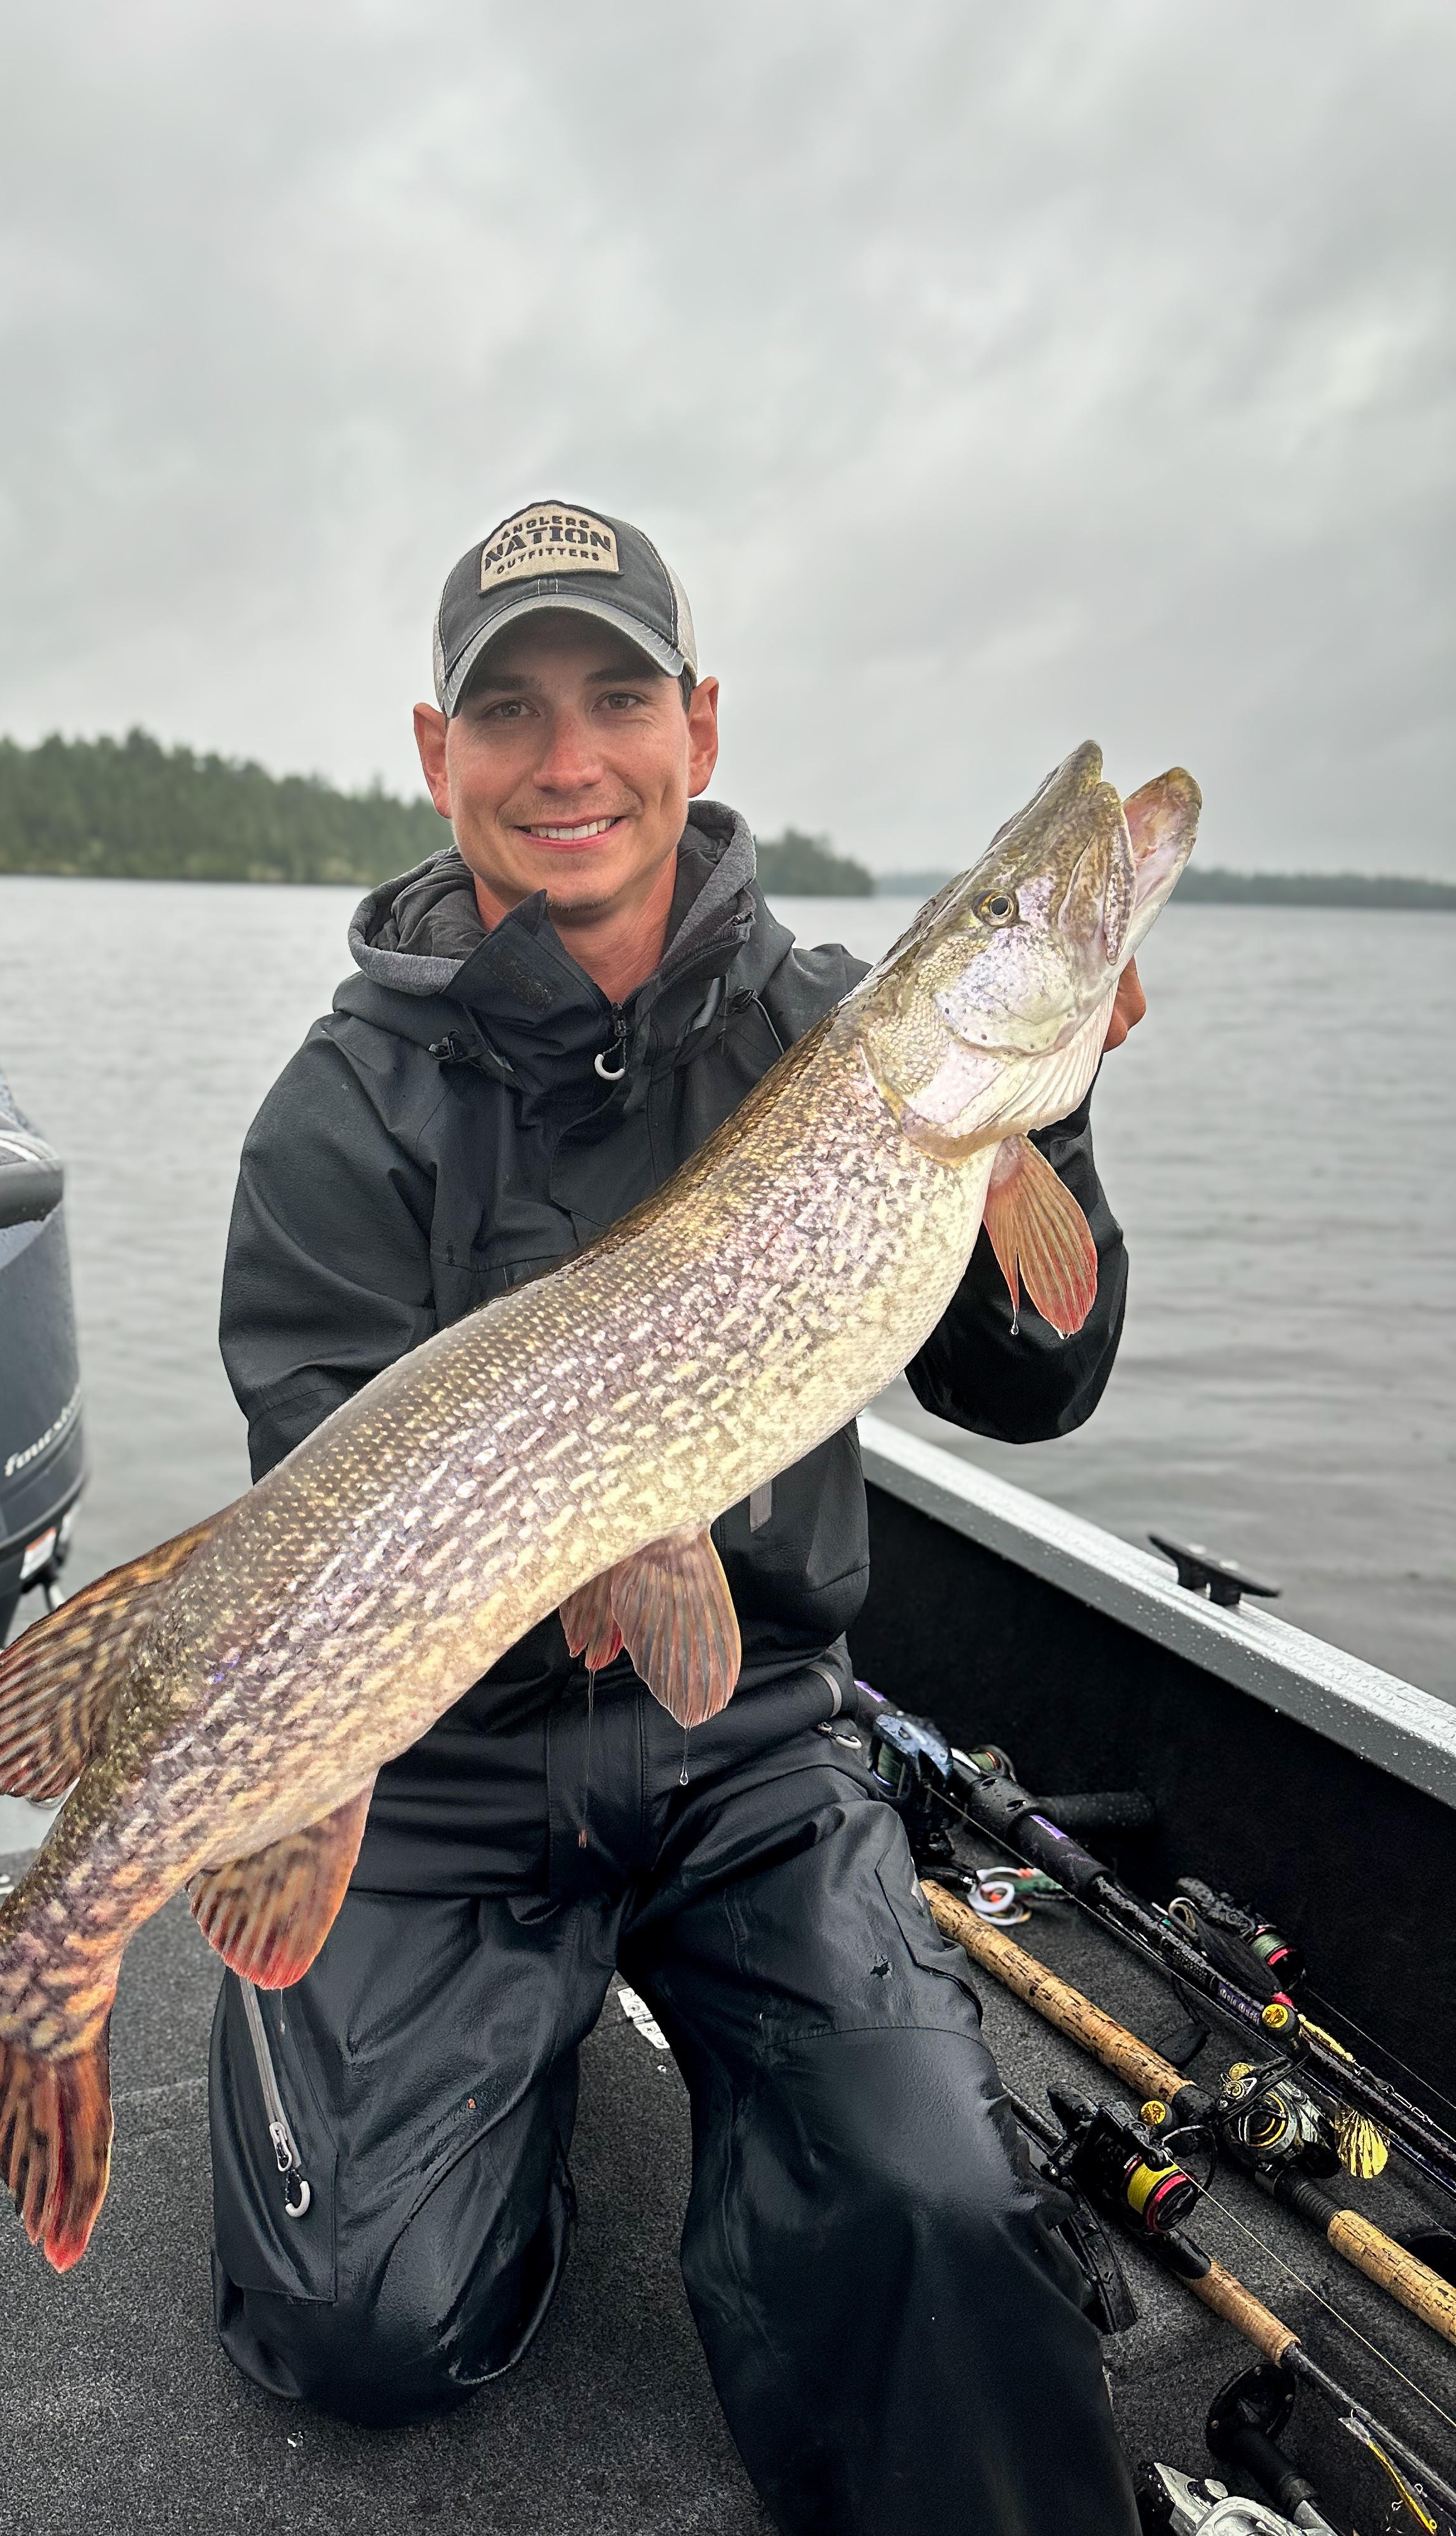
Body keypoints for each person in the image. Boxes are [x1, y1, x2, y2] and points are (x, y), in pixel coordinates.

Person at [208, 499, 1146, 2535]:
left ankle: (755, 2148)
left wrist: (1047, 1117)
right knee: (367, 2327)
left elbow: (1031, 1384)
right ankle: (483, 2098)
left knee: (931, 2229)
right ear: (434, 756)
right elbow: (325, 1520)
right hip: (445, 1759)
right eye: (511, 713)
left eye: (617, 697)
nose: (569, 761)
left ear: (699, 730)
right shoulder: (334, 1117)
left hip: (753, 1747)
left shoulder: (840, 1036)